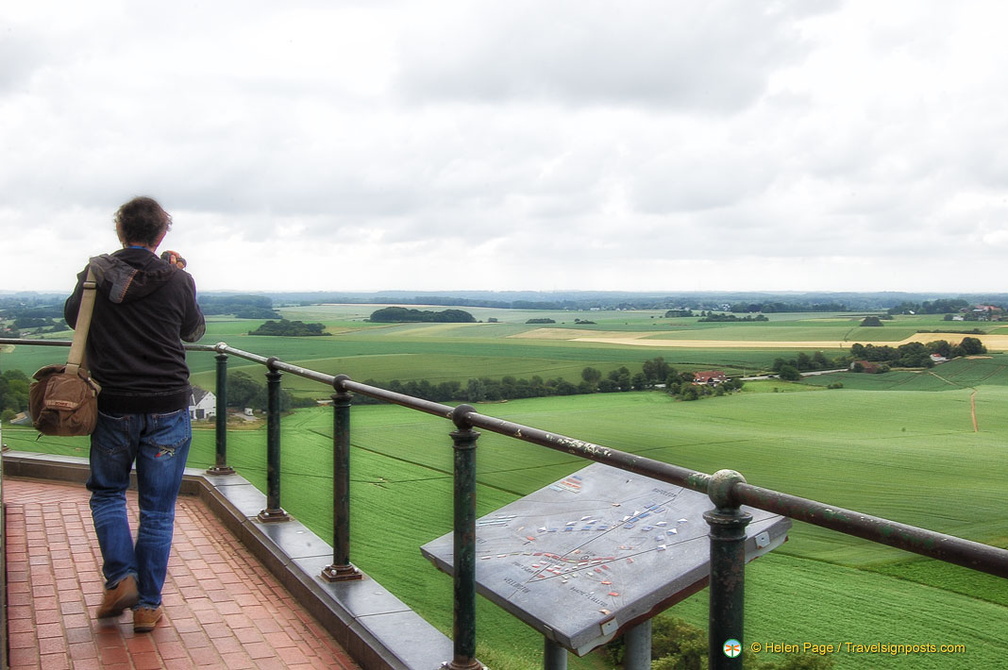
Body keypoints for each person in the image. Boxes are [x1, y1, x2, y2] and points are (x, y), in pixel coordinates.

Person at [64, 196, 205, 633]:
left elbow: (74, 320)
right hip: (167, 406)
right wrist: (179, 276)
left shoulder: (95, 274)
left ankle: (119, 579)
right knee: (158, 511)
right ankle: (147, 606)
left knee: (107, 493)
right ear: (162, 234)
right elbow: (193, 331)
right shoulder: (177, 279)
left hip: (113, 404)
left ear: (120, 231)